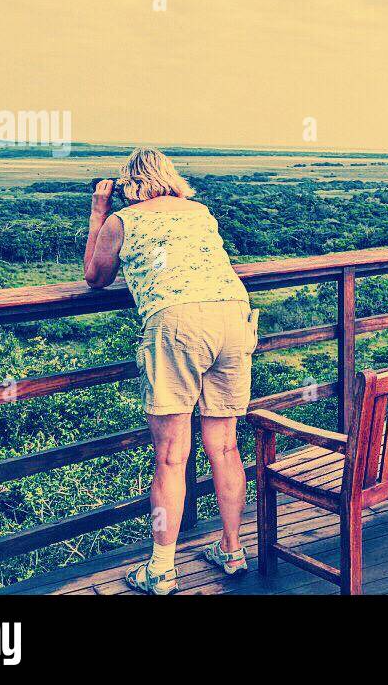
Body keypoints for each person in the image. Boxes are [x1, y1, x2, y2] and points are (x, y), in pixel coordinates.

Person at [84, 148, 259, 595]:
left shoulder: (124, 220)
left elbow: (95, 276)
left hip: (177, 321)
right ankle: (233, 549)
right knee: (224, 447)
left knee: (171, 455)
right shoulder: (200, 211)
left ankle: (161, 569)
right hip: (234, 316)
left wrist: (99, 212)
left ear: (131, 183)